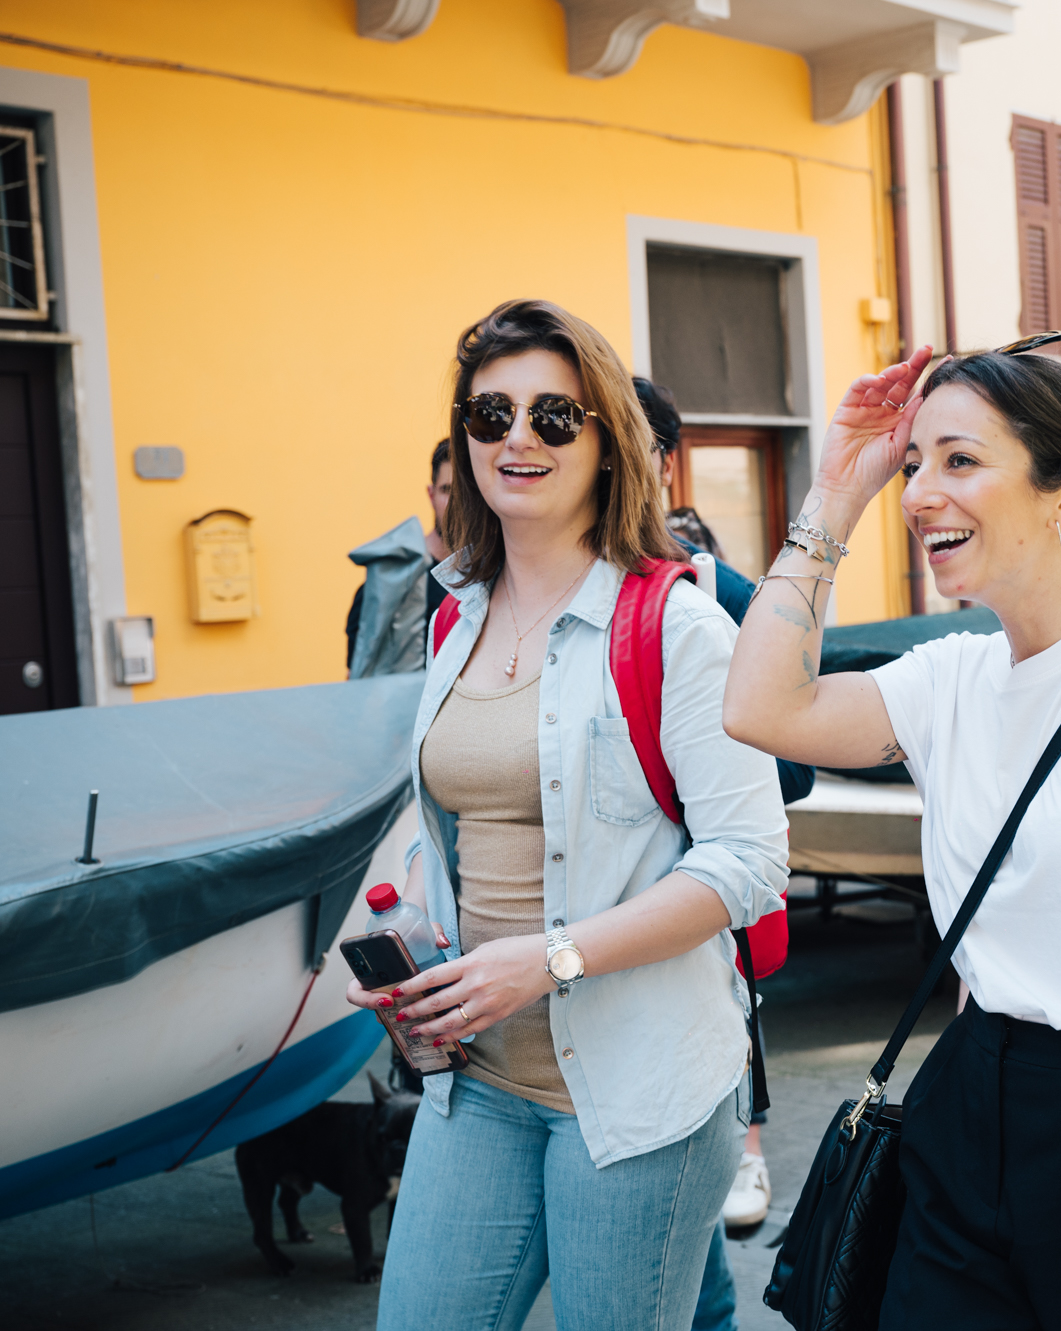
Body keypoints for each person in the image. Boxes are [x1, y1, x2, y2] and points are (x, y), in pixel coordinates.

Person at [723, 342, 1061, 1329]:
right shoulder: (951, 677)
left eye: (959, 461)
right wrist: (834, 493)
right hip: (970, 1093)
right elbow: (761, 705)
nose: (919, 494)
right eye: (913, 466)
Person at [351, 299, 790, 1331]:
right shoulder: (452, 611)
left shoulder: (676, 620)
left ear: (606, 443)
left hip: (638, 1096)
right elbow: (456, 824)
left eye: (555, 416)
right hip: (476, 1083)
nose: (516, 436)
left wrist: (544, 958)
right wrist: (419, 945)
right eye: (490, 412)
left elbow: (748, 860)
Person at [635, 373, 809, 1331]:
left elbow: (793, 770)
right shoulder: (501, 601)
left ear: (661, 465)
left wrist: (702, 772)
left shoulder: (713, 594)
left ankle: (745, 1141)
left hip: (693, 925)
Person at [344, 440, 455, 675]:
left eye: (469, 492)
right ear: (431, 494)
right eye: (448, 490)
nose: (459, 504)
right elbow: (361, 686)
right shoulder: (393, 582)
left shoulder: (499, 577)